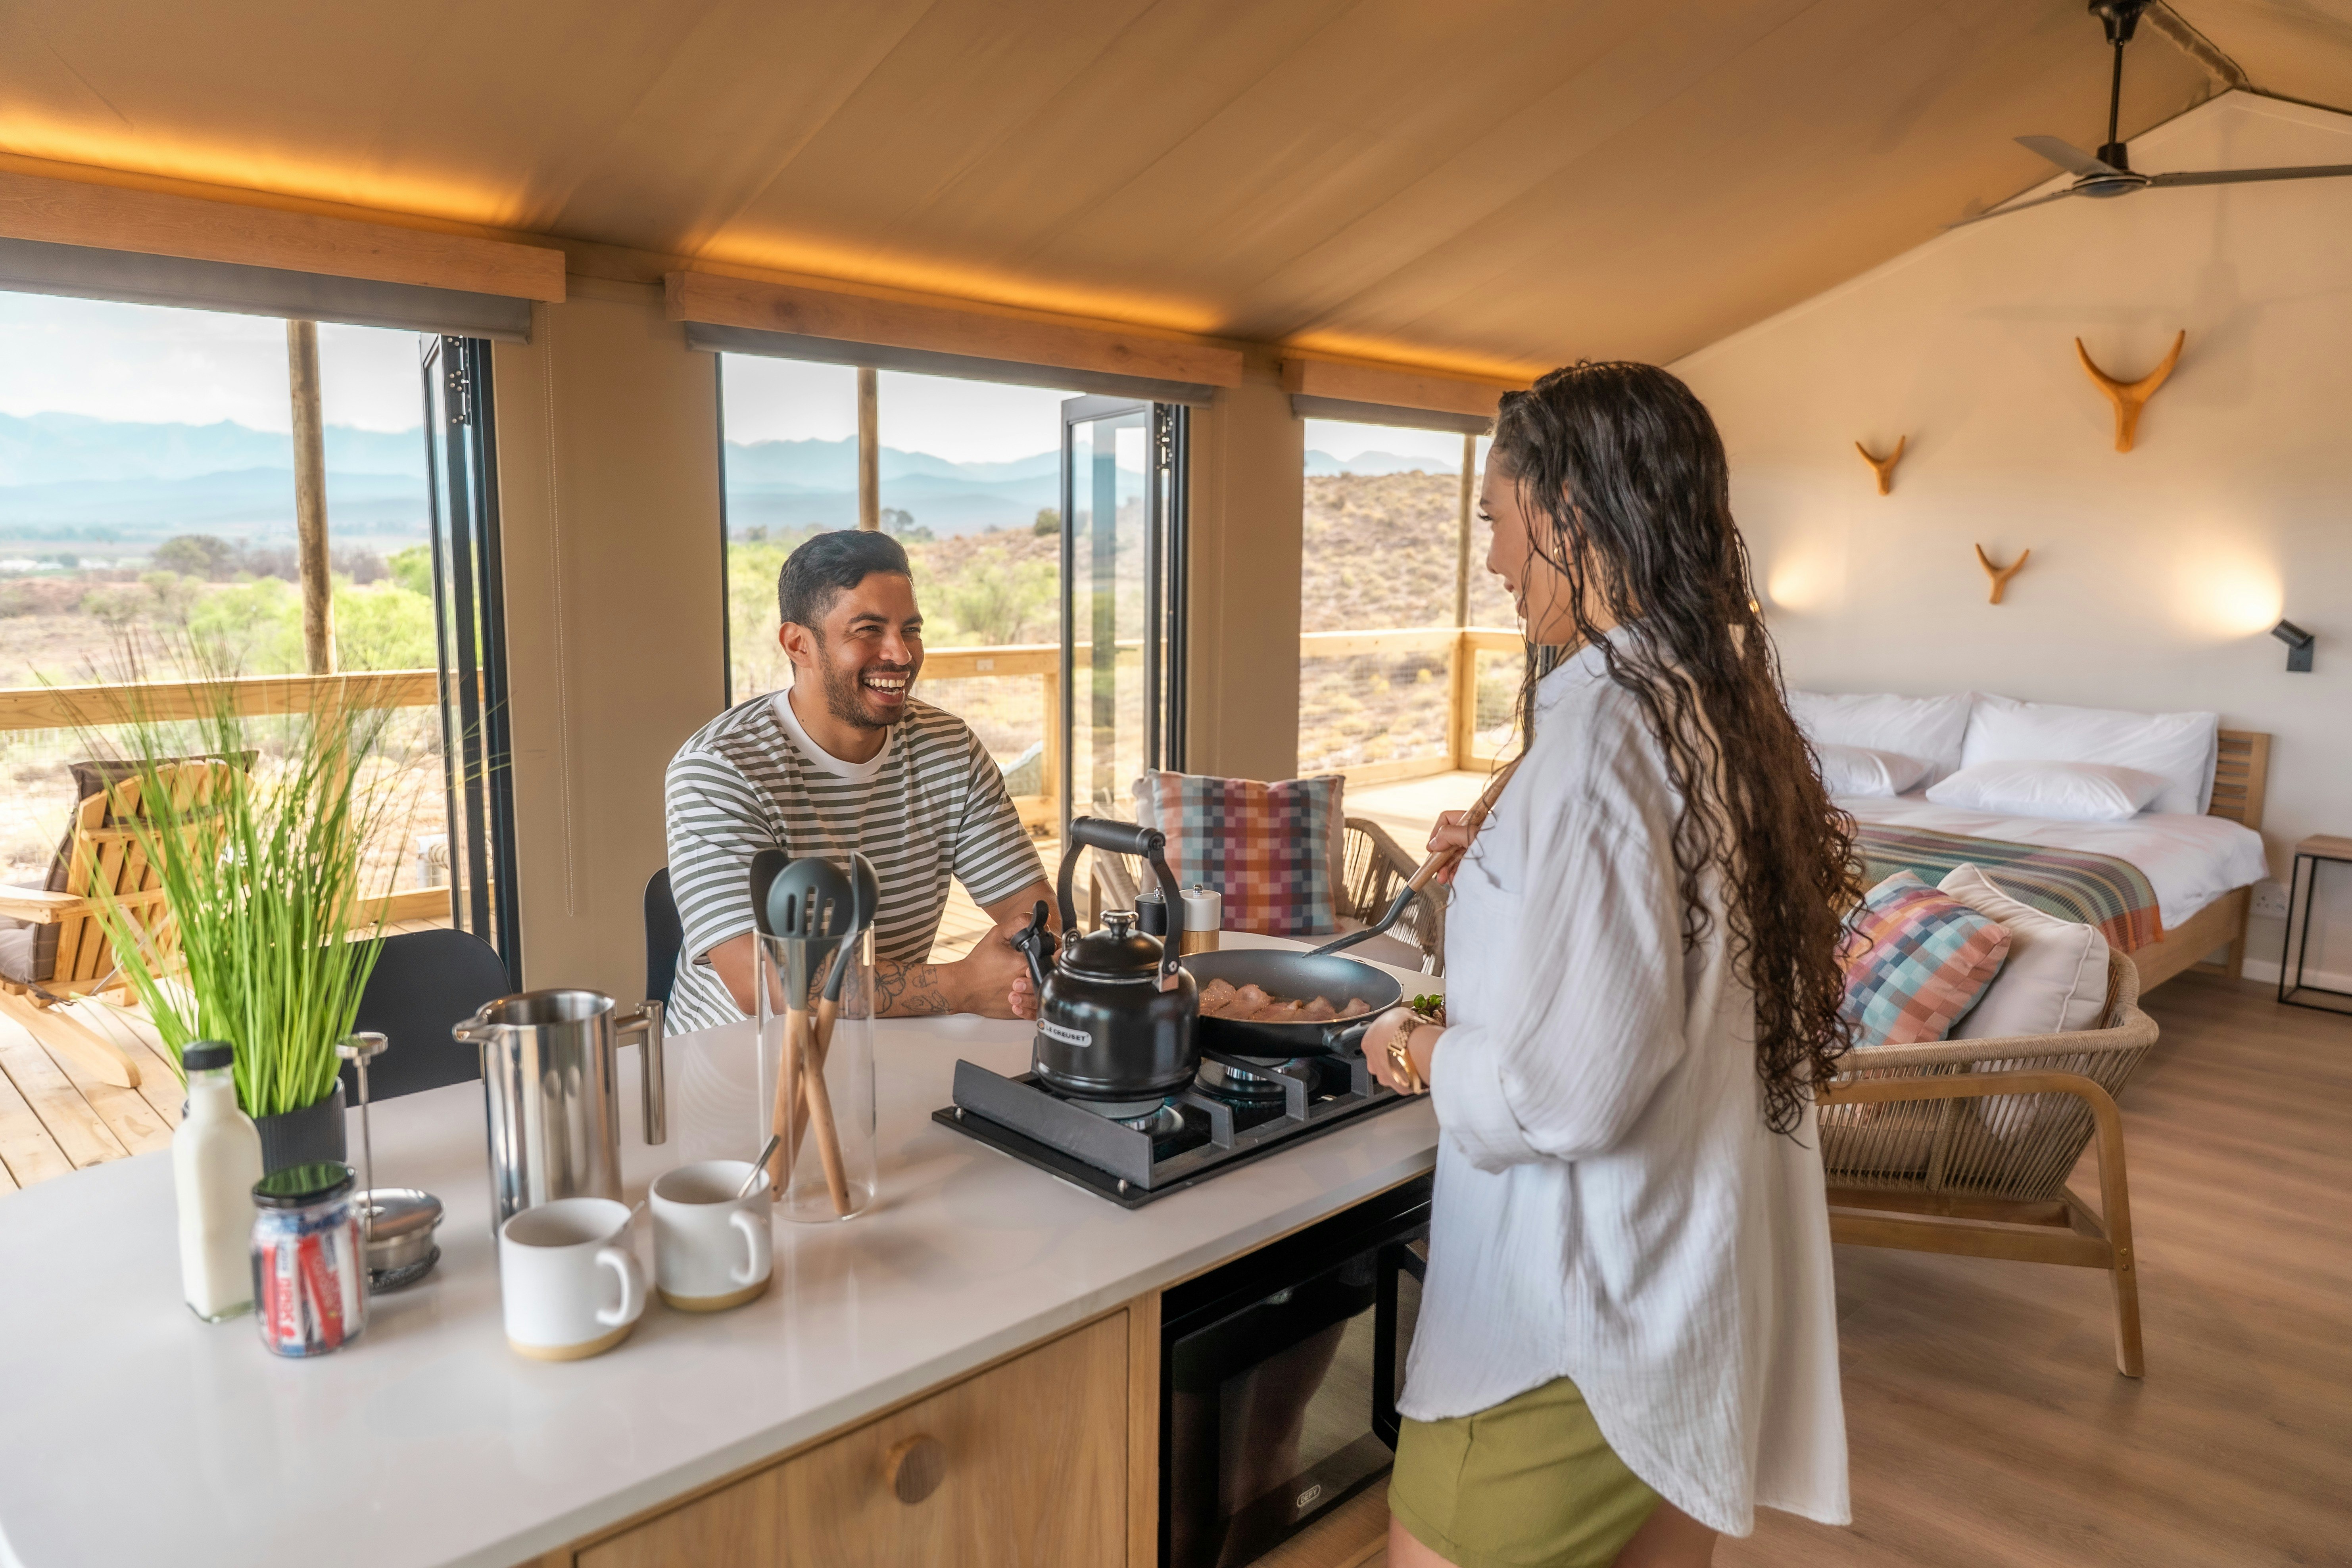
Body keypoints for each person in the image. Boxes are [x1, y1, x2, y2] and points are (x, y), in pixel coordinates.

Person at [1360, 363, 1857, 1568]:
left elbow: (1568, 1092)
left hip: (1570, 1318)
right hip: (1687, 1290)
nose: (1492, 559)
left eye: (1495, 519)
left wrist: (1416, 1047)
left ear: (1567, 513)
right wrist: (1502, 868)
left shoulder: (1605, 733)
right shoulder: (1704, 699)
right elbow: (1654, 950)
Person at [663, 530, 1052, 1032]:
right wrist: (961, 985)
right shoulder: (718, 767)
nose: (901, 654)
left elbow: (1031, 906)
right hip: (736, 1060)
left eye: (910, 629)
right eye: (868, 630)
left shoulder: (949, 747)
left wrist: (1028, 958)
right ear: (798, 644)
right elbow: (761, 980)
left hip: (887, 1040)